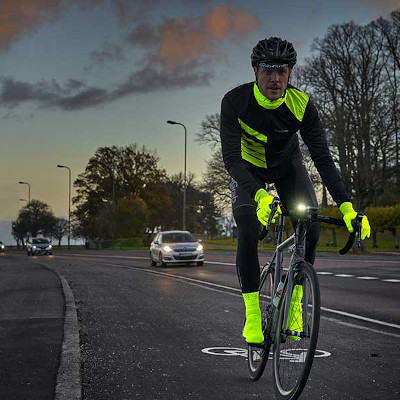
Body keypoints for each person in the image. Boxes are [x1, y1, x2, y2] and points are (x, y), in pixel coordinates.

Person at [220, 36, 370, 346]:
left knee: (310, 227)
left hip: (287, 167)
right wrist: (259, 194)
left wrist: (347, 207)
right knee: (248, 227)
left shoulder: (302, 105)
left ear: (290, 73)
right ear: (255, 71)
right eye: (267, 71)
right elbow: (232, 160)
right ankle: (251, 316)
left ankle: (296, 304)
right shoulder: (234, 102)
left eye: (282, 72)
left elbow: (324, 160)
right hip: (248, 170)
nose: (275, 79)